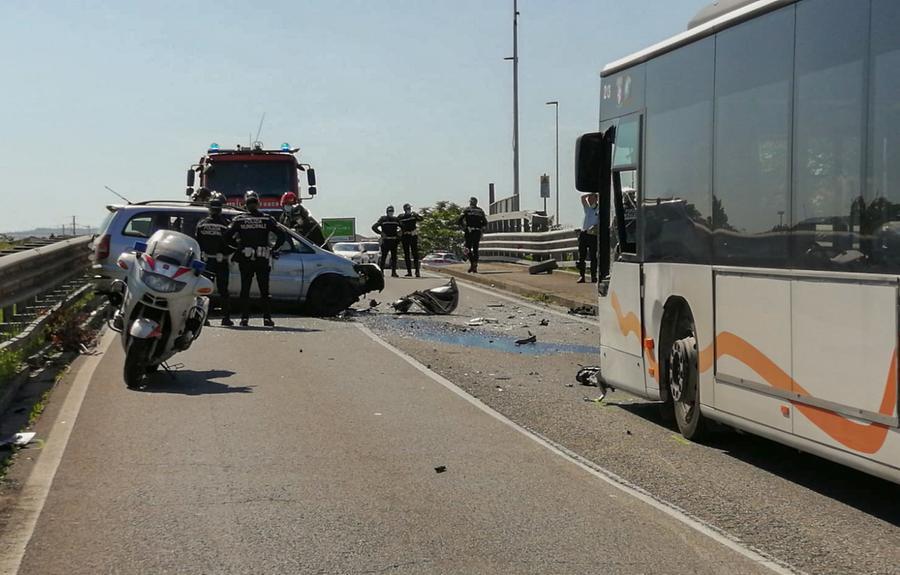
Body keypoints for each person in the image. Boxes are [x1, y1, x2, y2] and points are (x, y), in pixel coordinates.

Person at [225, 190, 285, 327]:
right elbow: (282, 235)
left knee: (245, 289)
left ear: (245, 204)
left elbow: (227, 236)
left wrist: (238, 247)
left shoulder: (239, 220)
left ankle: (244, 318)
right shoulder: (267, 219)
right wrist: (273, 248)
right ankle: (267, 318)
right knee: (264, 290)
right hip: (262, 257)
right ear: (258, 203)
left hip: (246, 258)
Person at [194, 192, 235, 325]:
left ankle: (204, 318)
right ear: (221, 209)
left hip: (206, 261)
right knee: (224, 290)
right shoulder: (226, 224)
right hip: (221, 261)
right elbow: (232, 244)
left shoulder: (201, 224)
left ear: (209, 209)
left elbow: (197, 242)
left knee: (205, 290)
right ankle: (226, 318)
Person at [457, 196, 488, 273]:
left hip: (469, 231)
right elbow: (485, 222)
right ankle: (475, 264)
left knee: (467, 248)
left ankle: (472, 263)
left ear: (470, 202)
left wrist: (464, 227)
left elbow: (459, 220)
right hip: (477, 231)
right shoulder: (480, 211)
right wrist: (481, 229)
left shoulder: (467, 210)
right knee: (475, 249)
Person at [372, 206, 401, 277]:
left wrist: (399, 233)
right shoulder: (383, 219)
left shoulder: (396, 219)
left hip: (394, 240)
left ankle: (394, 272)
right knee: (383, 257)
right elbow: (374, 227)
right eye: (389, 211)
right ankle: (381, 271)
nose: (390, 212)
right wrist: (380, 233)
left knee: (394, 257)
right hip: (386, 240)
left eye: (392, 211)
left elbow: (403, 227)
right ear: (387, 212)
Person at [577, 193, 599, 283]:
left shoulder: (599, 209)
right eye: (589, 198)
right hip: (584, 233)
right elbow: (582, 198)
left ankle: (593, 276)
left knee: (593, 256)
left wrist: (595, 227)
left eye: (591, 197)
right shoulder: (588, 209)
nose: (589, 199)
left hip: (593, 235)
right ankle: (582, 276)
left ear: (596, 198)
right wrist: (590, 193)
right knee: (582, 256)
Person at [398, 203, 422, 277]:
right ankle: (409, 272)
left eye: (409, 208)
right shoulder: (401, 217)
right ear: (404, 209)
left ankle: (417, 272)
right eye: (407, 208)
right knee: (407, 254)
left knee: (415, 254)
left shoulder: (413, 215)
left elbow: (421, 219)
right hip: (405, 236)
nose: (409, 210)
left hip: (413, 235)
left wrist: (417, 215)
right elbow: (397, 223)